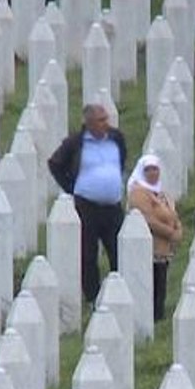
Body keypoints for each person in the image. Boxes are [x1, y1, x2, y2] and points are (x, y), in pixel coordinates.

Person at [48, 103, 129, 307]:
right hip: (87, 207)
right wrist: (72, 188)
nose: (106, 123)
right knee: (88, 253)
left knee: (119, 249)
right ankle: (93, 296)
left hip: (113, 206)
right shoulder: (75, 142)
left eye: (106, 119)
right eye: (101, 120)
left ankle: (120, 292)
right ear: (89, 122)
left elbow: (122, 159)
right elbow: (55, 163)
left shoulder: (116, 138)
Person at [126, 154, 183, 321]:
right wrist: (171, 233)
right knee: (151, 285)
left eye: (155, 169)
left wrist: (178, 230)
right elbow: (147, 218)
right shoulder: (138, 193)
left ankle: (158, 318)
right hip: (149, 248)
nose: (153, 173)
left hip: (163, 249)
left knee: (161, 285)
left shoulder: (161, 194)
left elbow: (173, 215)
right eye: (148, 170)